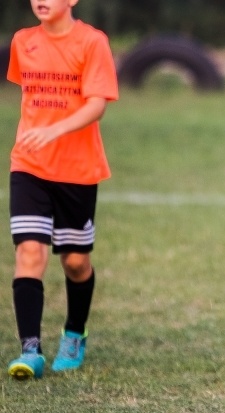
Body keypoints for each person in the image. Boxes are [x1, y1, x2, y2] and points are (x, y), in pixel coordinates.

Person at [5, 0, 118, 379]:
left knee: (74, 262)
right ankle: (30, 350)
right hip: (29, 164)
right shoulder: (23, 42)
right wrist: (38, 134)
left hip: (77, 171)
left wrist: (55, 130)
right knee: (30, 251)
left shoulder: (92, 42)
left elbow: (98, 105)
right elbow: (34, 100)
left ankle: (74, 332)